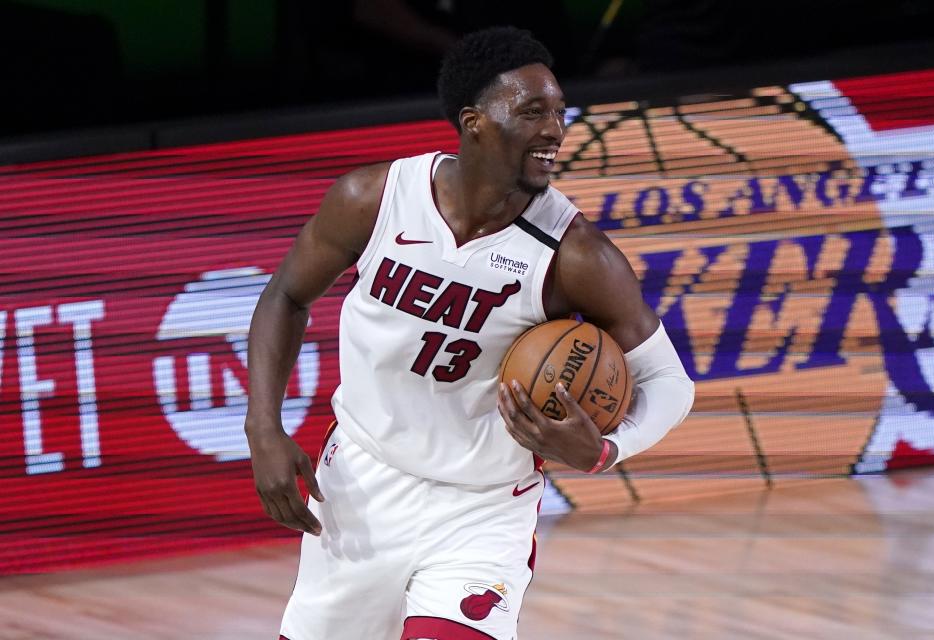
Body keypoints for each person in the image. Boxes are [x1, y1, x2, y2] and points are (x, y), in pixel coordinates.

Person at [244, 26, 694, 640]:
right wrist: (263, 427)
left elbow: (669, 382)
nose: (554, 129)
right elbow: (285, 296)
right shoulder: (374, 199)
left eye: (560, 112)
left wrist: (607, 450)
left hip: (482, 507)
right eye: (532, 111)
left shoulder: (576, 254)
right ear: (474, 121)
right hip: (363, 486)